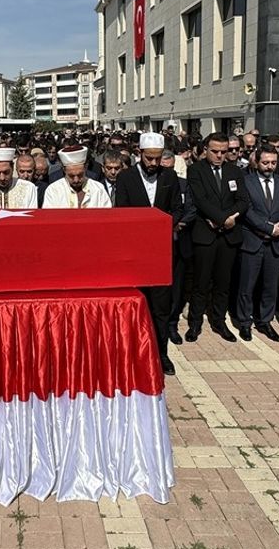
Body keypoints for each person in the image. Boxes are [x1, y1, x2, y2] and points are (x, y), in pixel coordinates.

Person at [114, 133, 183, 376]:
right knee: (135, 304)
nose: (153, 164)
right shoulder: (125, 178)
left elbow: (177, 209)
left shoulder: (170, 176)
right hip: (134, 253)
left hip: (161, 253)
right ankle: (133, 352)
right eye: (149, 159)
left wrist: (161, 225)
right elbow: (121, 212)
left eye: (157, 159)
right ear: (139, 154)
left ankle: (161, 353)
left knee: (161, 307)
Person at [180, 133, 249, 342]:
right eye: (215, 151)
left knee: (223, 282)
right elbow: (200, 200)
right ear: (206, 150)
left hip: (228, 235)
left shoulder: (234, 171)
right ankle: (195, 323)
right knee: (201, 282)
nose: (220, 155)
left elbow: (243, 200)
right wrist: (221, 218)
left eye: (223, 152)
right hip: (206, 234)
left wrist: (230, 218)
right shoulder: (196, 170)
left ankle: (219, 321)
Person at [235, 145, 279, 342]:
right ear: (256, 162)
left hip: (276, 242)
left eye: (273, 163)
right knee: (247, 285)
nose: (269, 166)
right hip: (253, 240)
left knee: (271, 286)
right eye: (265, 162)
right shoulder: (246, 181)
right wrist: (268, 228)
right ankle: (244, 322)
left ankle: (265, 321)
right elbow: (246, 209)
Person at [40, 146, 111, 208]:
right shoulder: (53, 190)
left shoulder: (98, 189)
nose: (76, 180)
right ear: (64, 170)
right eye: (71, 176)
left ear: (86, 168)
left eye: (80, 175)